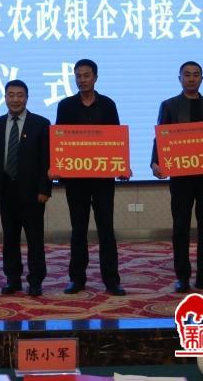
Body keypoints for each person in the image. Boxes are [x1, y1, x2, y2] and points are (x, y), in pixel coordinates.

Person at [151, 61, 203, 294]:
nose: (191, 78)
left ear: (201, 79)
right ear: (179, 78)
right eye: (186, 75)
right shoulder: (169, 105)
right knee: (181, 228)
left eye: (196, 75)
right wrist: (155, 162)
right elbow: (161, 136)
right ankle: (183, 277)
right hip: (181, 178)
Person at [55, 59, 126, 296]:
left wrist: (121, 165)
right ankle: (77, 279)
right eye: (78, 76)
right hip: (76, 180)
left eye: (86, 75)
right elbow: (60, 140)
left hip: (103, 179)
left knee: (106, 229)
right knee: (78, 230)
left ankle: (111, 280)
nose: (82, 80)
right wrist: (57, 165)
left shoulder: (108, 105)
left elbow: (116, 138)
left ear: (95, 77)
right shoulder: (65, 106)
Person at [0, 80, 51, 297]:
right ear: (5, 97)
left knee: (35, 239)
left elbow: (46, 159)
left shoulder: (41, 124)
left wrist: (45, 188)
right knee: (10, 239)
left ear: (27, 98)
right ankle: (13, 279)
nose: (15, 99)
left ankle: (36, 281)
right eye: (11, 95)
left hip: (33, 193)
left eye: (20, 95)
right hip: (5, 191)